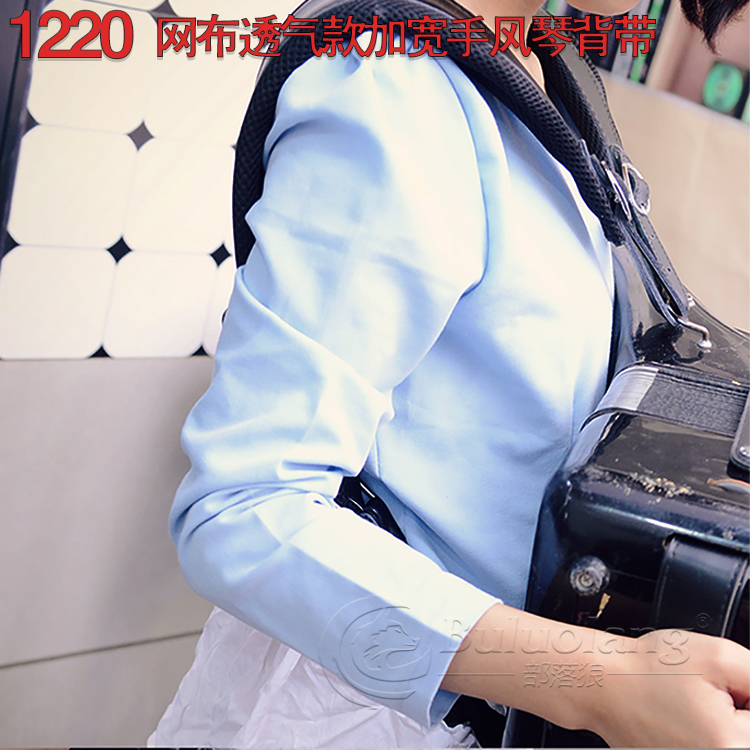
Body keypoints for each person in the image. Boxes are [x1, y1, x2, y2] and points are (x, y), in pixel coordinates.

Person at [149, 0, 750, 747]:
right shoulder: (394, 87)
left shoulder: (543, 67)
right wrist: (596, 684)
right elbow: (242, 513)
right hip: (357, 718)